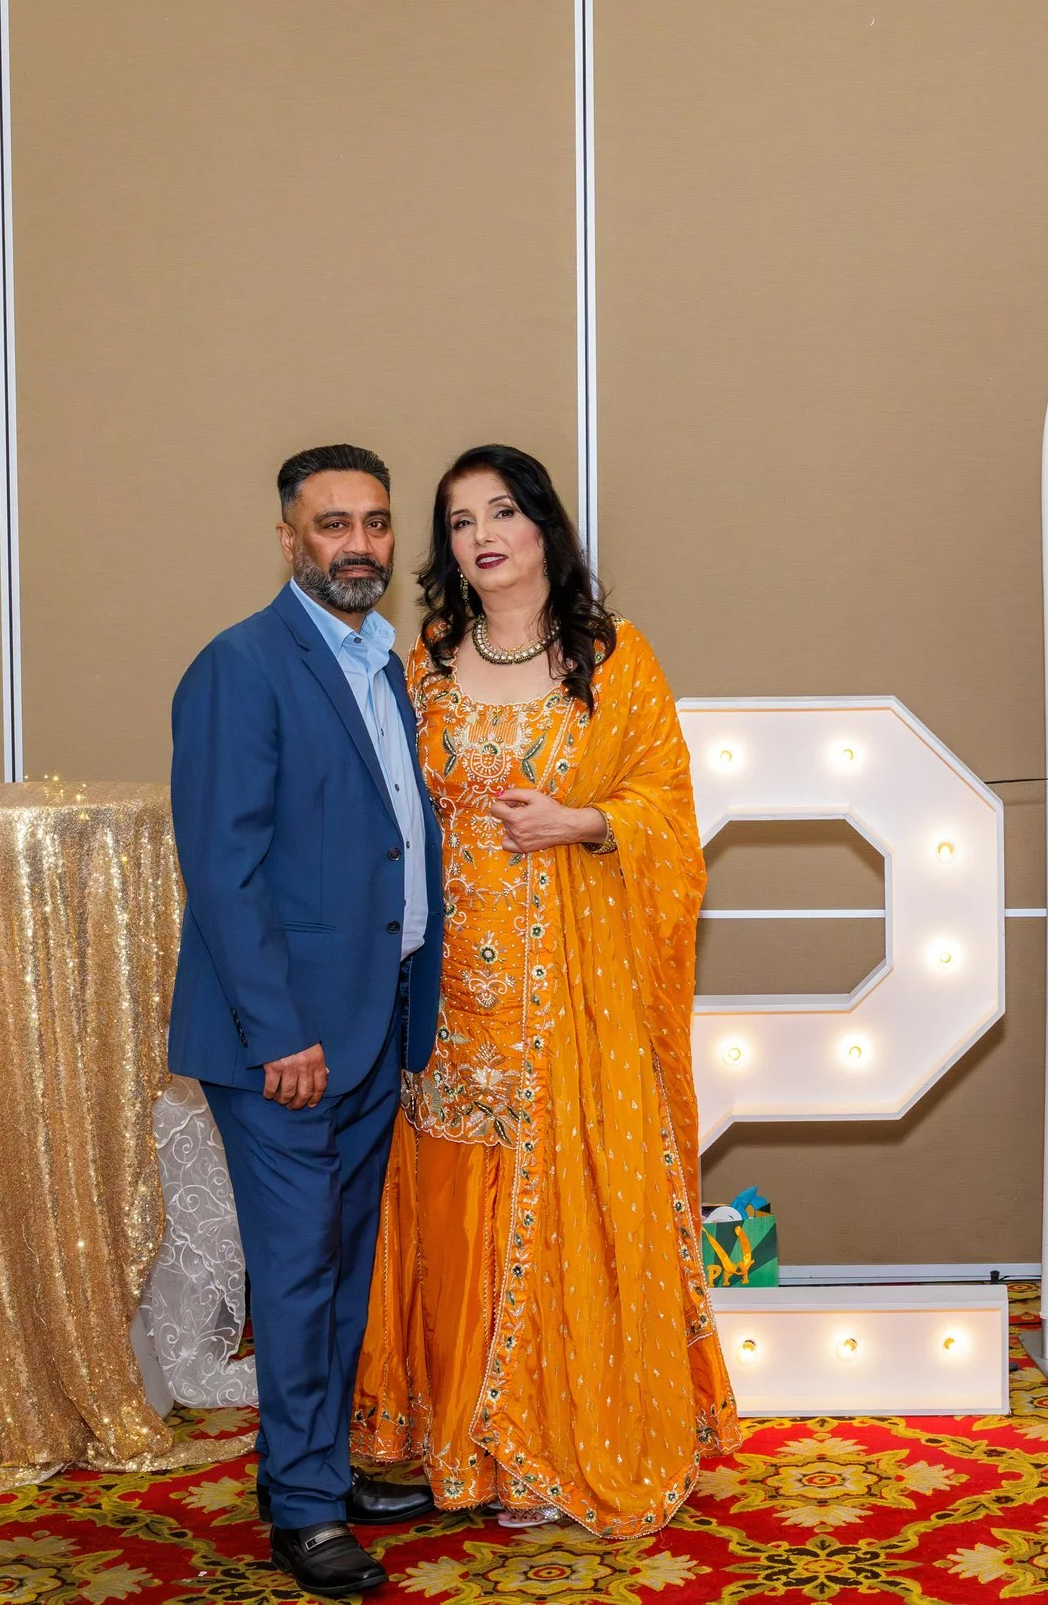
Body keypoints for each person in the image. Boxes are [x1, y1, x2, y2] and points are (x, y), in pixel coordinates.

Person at [352, 444, 738, 1535]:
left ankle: (544, 1447)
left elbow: (667, 807)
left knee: (559, 1202)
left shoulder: (611, 660)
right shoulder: (421, 662)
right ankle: (451, 1441)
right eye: (461, 518)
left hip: (569, 992)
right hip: (439, 983)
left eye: (505, 511)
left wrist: (580, 821)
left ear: (543, 529)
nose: (484, 533)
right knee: (445, 1201)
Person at [169, 443, 443, 1598]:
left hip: (373, 1019)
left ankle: (317, 1463)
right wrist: (280, 1029)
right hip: (284, 1040)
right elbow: (223, 871)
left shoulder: (385, 661)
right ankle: (302, 1505)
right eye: (333, 525)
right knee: (295, 1273)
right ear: (288, 537)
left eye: (375, 523)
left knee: (340, 1267)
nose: (359, 545)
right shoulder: (243, 665)